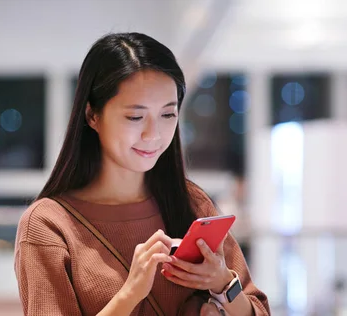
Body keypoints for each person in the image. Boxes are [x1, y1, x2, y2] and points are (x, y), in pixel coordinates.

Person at [13, 33, 269, 315]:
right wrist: (130, 294)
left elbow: (257, 309)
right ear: (92, 116)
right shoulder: (48, 225)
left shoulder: (191, 202)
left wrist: (222, 284)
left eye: (168, 115)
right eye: (135, 117)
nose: (154, 135)